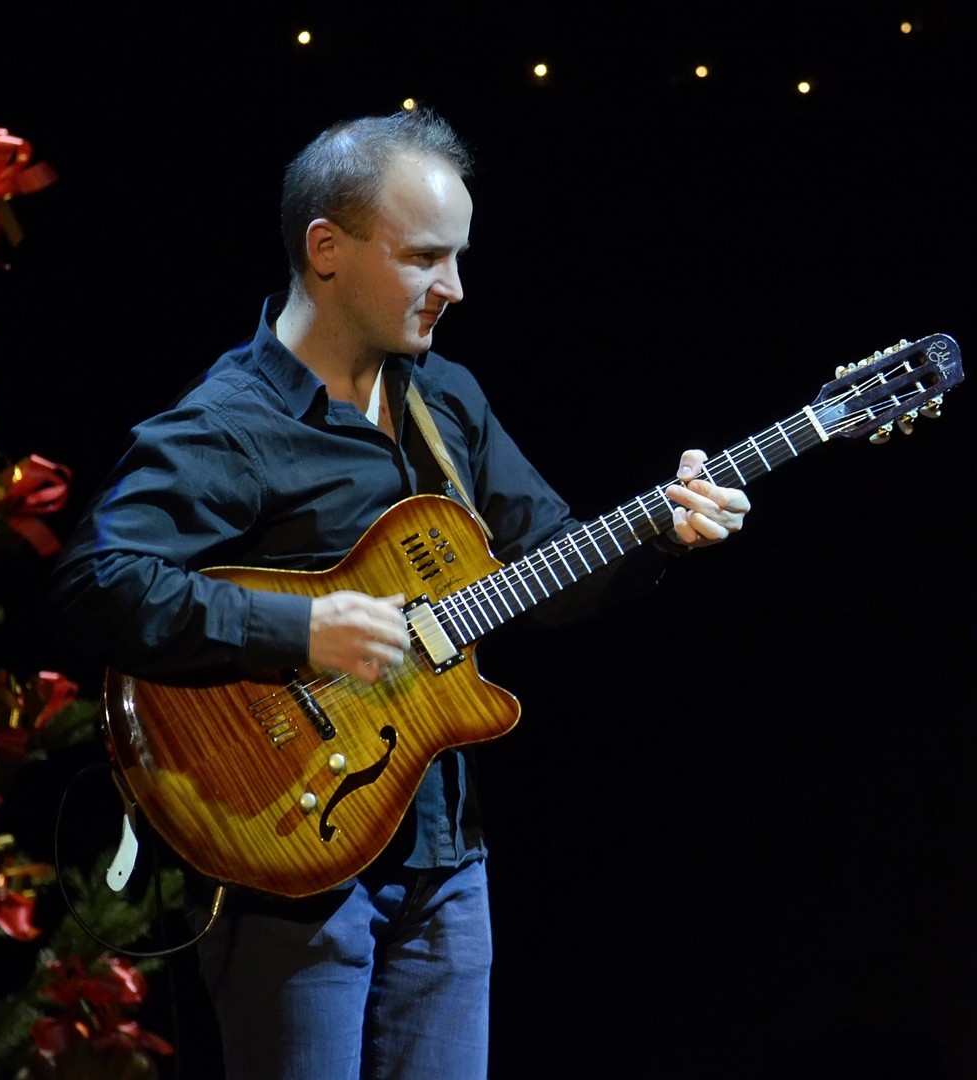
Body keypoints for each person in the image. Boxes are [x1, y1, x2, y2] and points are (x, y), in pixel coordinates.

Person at [47, 109, 750, 1079]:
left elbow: (546, 569)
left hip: (446, 861)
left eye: (457, 257)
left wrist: (658, 533)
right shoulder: (228, 424)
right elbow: (93, 585)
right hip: (288, 862)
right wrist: (300, 627)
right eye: (425, 257)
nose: (454, 288)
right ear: (326, 249)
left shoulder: (446, 397)